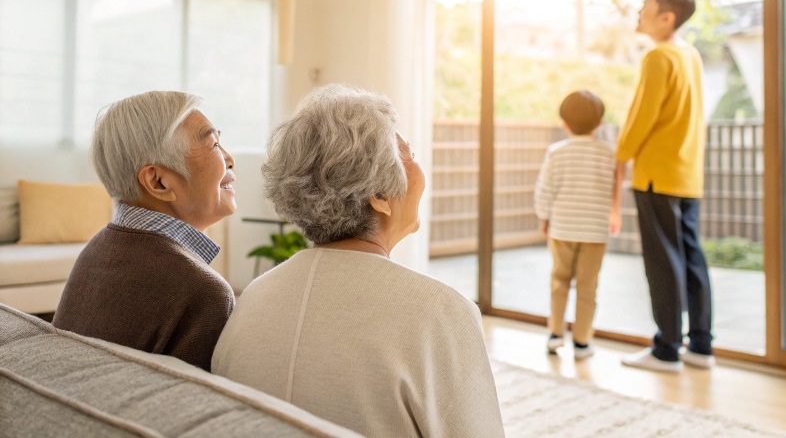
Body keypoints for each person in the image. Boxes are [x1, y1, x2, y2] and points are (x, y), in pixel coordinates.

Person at [212, 84, 505, 438]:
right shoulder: (439, 311)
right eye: (409, 154)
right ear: (379, 196)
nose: (419, 168)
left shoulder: (253, 297)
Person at [53, 91, 236, 371]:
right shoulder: (204, 292)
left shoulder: (97, 248)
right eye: (213, 145)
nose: (230, 159)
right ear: (158, 181)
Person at [614, 0, 714, 373]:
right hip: (687, 175)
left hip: (657, 174)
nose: (639, 13)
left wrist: (621, 155)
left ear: (666, 17)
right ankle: (701, 346)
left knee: (663, 262)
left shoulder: (658, 57)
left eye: (646, 7)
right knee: (691, 259)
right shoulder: (690, 55)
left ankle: (667, 350)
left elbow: (643, 116)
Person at [534, 90, 618, 361]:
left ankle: (556, 335)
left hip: (562, 228)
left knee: (559, 281)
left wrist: (543, 217)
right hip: (594, 231)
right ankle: (582, 342)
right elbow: (612, 190)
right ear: (600, 123)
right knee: (587, 286)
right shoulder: (609, 154)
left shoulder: (556, 152)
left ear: (564, 122)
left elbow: (545, 190)